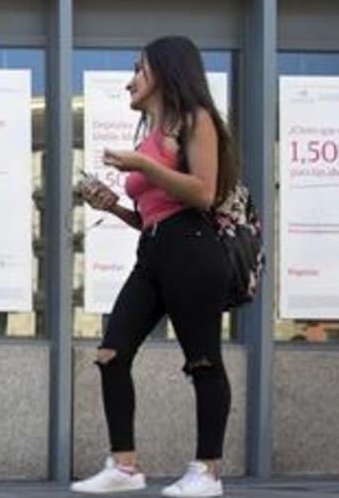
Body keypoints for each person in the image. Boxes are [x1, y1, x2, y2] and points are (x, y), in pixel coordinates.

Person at [72, 36, 238, 497]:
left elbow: (203, 193)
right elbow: (151, 214)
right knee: (111, 354)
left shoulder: (196, 120)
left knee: (203, 361)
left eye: (138, 70)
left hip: (193, 249)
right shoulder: (147, 135)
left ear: (164, 73)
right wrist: (115, 206)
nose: (130, 82)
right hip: (154, 250)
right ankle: (124, 466)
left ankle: (207, 472)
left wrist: (144, 163)